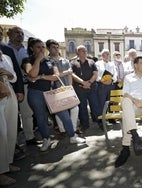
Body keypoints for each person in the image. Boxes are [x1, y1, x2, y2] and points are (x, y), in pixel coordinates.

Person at [22, 38, 85, 152]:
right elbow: (31, 73)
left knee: (64, 114)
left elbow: (56, 76)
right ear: (32, 48)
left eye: (42, 47)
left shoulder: (49, 61)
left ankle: (72, 136)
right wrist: (38, 61)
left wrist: (41, 77)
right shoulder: (27, 60)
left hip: (52, 92)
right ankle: (46, 140)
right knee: (41, 117)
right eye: (38, 47)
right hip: (35, 93)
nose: (41, 49)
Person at [7, 26, 38, 145]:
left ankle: (29, 137)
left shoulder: (26, 52)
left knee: (27, 113)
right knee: (10, 117)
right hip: (9, 85)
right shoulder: (4, 48)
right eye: (17, 32)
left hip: (24, 85)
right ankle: (11, 144)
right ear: (9, 34)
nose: (20, 35)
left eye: (21, 33)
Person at [45, 39, 80, 135]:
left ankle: (73, 128)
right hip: (55, 89)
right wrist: (65, 72)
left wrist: (70, 87)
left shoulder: (65, 60)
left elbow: (70, 74)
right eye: (53, 47)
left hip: (67, 88)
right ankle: (62, 129)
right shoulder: (47, 61)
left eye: (57, 47)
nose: (56, 49)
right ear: (48, 48)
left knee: (74, 108)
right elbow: (54, 76)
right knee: (59, 110)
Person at [70, 45, 102, 130]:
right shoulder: (73, 63)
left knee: (95, 106)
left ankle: (100, 122)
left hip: (92, 88)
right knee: (82, 107)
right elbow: (72, 74)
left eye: (85, 51)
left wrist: (89, 82)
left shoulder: (91, 62)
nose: (85, 52)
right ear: (78, 53)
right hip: (80, 89)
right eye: (83, 51)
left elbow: (95, 73)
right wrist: (83, 82)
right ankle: (85, 124)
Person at [0, 50, 20, 186]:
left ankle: (7, 163)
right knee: (1, 132)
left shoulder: (6, 56)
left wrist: (8, 74)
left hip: (8, 90)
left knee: (11, 129)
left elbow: (14, 78)